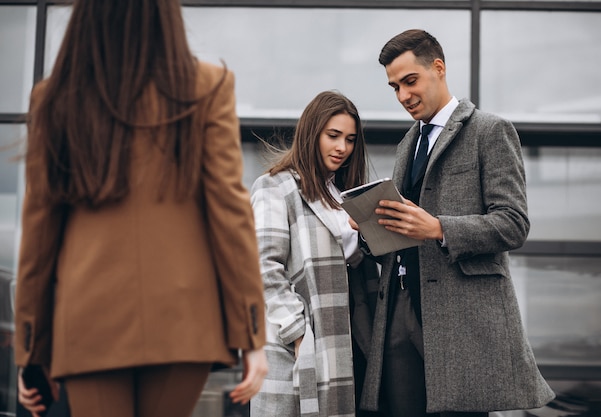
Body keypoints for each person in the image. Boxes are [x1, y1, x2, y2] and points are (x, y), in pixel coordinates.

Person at [13, 1, 267, 416]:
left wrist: (30, 346)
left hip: (88, 321)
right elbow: (230, 214)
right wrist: (252, 334)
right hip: (184, 321)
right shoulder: (208, 86)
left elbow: (39, 234)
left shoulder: (55, 97)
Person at [356, 29, 555, 417]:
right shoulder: (406, 145)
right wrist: (369, 229)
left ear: (439, 68)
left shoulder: (490, 131)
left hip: (460, 320)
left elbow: (513, 223)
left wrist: (439, 228)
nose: (403, 96)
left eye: (410, 81)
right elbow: (405, 230)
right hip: (399, 307)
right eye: (394, 87)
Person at [249, 91, 379, 417]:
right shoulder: (275, 186)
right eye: (333, 136)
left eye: (350, 139)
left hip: (343, 334)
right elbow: (262, 265)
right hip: (295, 339)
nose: (342, 148)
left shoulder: (342, 194)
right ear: (311, 133)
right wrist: (297, 333)